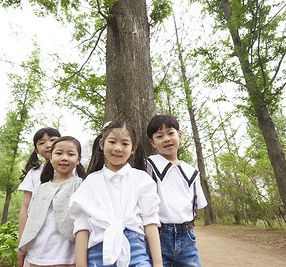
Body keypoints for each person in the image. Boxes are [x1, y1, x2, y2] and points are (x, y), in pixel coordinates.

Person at [69, 121, 163, 267]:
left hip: (135, 251)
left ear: (133, 148)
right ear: (101, 144)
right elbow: (82, 225)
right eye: (112, 142)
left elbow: (150, 221)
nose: (118, 148)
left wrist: (158, 264)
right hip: (99, 252)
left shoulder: (142, 179)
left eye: (125, 144)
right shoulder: (91, 182)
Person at [146, 114, 207, 267]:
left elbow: (197, 203)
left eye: (171, 133)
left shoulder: (192, 171)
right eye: (159, 136)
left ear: (179, 136)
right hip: (158, 235)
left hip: (187, 236)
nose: (166, 139)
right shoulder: (149, 165)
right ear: (152, 143)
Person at [18, 136, 84, 267]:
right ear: (51, 158)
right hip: (36, 254)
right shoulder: (41, 188)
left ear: (78, 160)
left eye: (70, 154)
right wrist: (22, 247)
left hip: (66, 255)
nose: (64, 158)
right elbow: (32, 219)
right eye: (59, 153)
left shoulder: (81, 185)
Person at [18, 127, 61, 267]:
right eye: (42, 143)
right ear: (36, 150)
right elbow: (25, 208)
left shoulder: (72, 171)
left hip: (62, 242)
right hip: (36, 240)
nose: (48, 145)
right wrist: (21, 242)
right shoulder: (34, 173)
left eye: (53, 140)